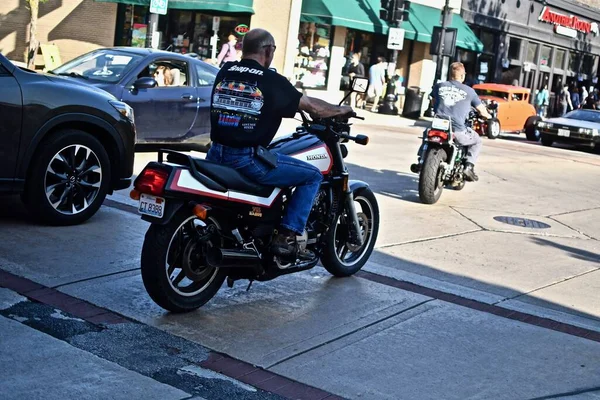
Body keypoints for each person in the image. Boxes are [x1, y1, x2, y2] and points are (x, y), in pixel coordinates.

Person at [206, 29, 353, 260]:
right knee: (312, 175)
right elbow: (314, 107)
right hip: (246, 160)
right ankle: (286, 236)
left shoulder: (225, 71)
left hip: (215, 154)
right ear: (268, 50)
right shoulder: (271, 80)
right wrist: (341, 109)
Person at [429, 62, 492, 182]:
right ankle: (468, 167)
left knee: (427, 135)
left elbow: (433, 101)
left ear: (450, 74)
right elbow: (482, 111)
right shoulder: (469, 91)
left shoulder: (439, 86)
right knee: (477, 141)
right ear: (463, 76)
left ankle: (421, 159)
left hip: (437, 126)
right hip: (457, 130)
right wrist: (489, 117)